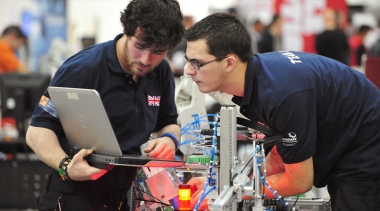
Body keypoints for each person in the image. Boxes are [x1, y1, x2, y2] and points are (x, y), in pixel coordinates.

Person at [184, 13, 380, 211]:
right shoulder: (261, 76)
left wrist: (228, 192)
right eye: (187, 60)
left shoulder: (280, 94)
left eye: (197, 63)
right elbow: (280, 156)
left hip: (366, 154)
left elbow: (299, 181)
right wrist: (221, 186)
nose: (188, 70)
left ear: (229, 63)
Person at [25, 0, 184, 210]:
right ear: (126, 31)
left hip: (122, 195)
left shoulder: (161, 71)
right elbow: (37, 131)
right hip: (73, 194)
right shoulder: (82, 69)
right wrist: (66, 166)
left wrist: (169, 139)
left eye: (158, 51)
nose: (146, 59)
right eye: (140, 46)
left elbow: (169, 123)